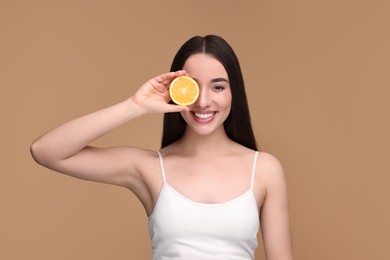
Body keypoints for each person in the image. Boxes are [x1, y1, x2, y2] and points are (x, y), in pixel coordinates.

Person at [30, 35, 293, 260]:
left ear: (234, 92)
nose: (203, 101)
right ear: (174, 90)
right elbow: (46, 151)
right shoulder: (149, 168)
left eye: (218, 86)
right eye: (193, 86)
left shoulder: (265, 169)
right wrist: (135, 106)